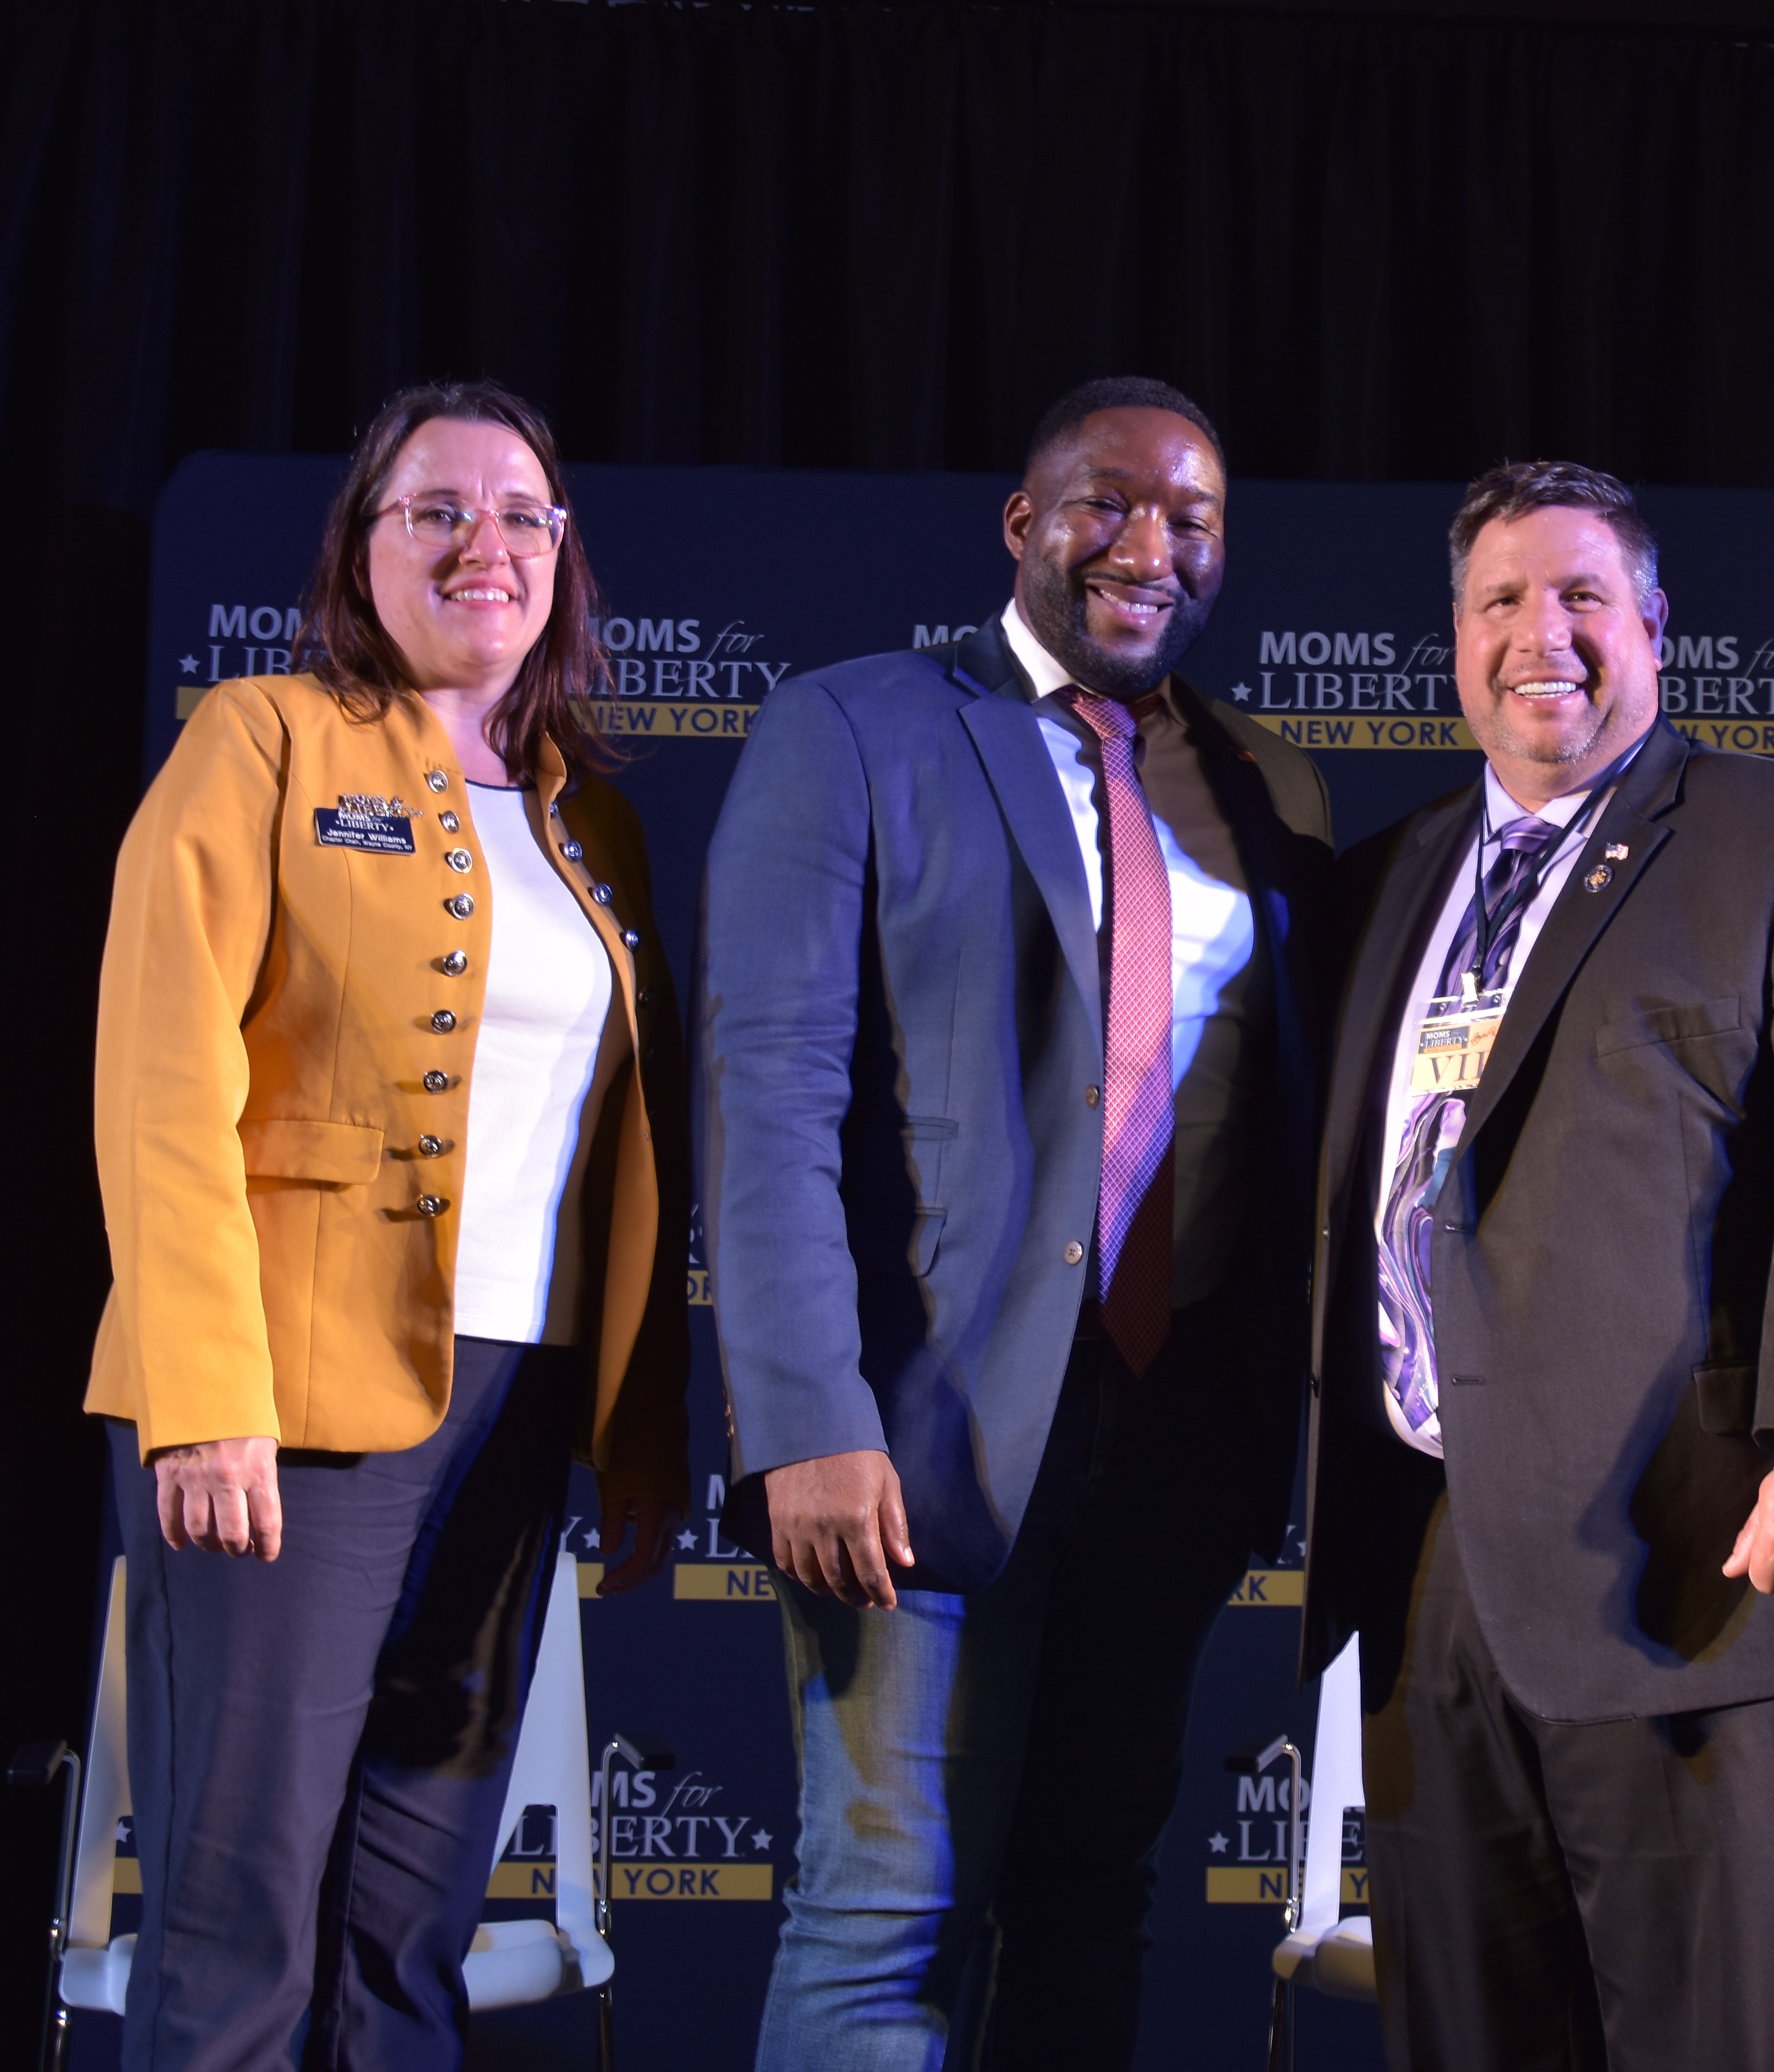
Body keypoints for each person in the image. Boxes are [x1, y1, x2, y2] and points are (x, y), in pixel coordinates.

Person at [698, 376, 1332, 2070]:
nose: (1149, 546)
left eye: (1192, 517)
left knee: (1089, 1896)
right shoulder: (854, 727)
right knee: (884, 1907)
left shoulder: (1270, 780)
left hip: (1175, 1440)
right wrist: (807, 1419)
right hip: (917, 1432)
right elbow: (767, 1094)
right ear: (1020, 524)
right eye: (1107, 502)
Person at [1298, 460, 1774, 2071]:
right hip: (1430, 1570)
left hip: (1704, 1562)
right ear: (1457, 639)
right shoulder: (1384, 877)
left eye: (1583, 595)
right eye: (1503, 600)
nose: (1544, 634)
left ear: (1657, 626)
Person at [87, 379, 691, 2068]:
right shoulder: (263, 737)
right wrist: (204, 1395)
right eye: (436, 509)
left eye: (520, 514)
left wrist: (634, 1433)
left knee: (409, 1939)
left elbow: (629, 1155)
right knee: (237, 1925)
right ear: (363, 547)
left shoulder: (595, 820)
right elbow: (160, 1076)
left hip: (515, 1417)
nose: (483, 542)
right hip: (283, 1408)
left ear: (563, 555)